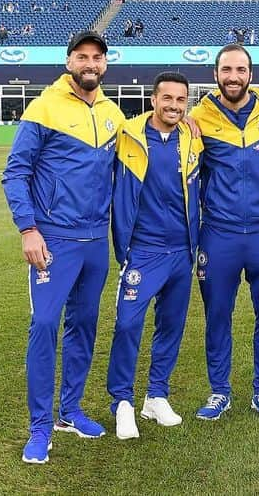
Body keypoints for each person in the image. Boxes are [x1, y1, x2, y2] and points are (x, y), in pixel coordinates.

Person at [2, 30, 125, 464]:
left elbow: (137, 154)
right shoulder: (44, 106)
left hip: (96, 240)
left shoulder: (113, 113)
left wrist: (187, 121)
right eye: (82, 57)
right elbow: (15, 173)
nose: (90, 64)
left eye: (97, 57)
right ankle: (39, 427)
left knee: (84, 326)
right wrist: (28, 229)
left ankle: (69, 411)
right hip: (53, 238)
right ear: (69, 61)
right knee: (45, 325)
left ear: (105, 65)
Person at [190, 44, 259, 422]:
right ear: (216, 73)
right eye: (226, 69)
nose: (233, 76)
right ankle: (220, 391)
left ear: (251, 73)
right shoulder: (197, 118)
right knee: (218, 315)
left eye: (240, 69)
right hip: (219, 234)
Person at [107, 72, 203, 439]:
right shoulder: (126, 133)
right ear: (153, 99)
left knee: (171, 326)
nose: (174, 106)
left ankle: (156, 396)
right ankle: (122, 403)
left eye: (181, 100)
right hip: (142, 251)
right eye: (168, 99)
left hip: (182, 250)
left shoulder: (193, 138)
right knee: (128, 325)